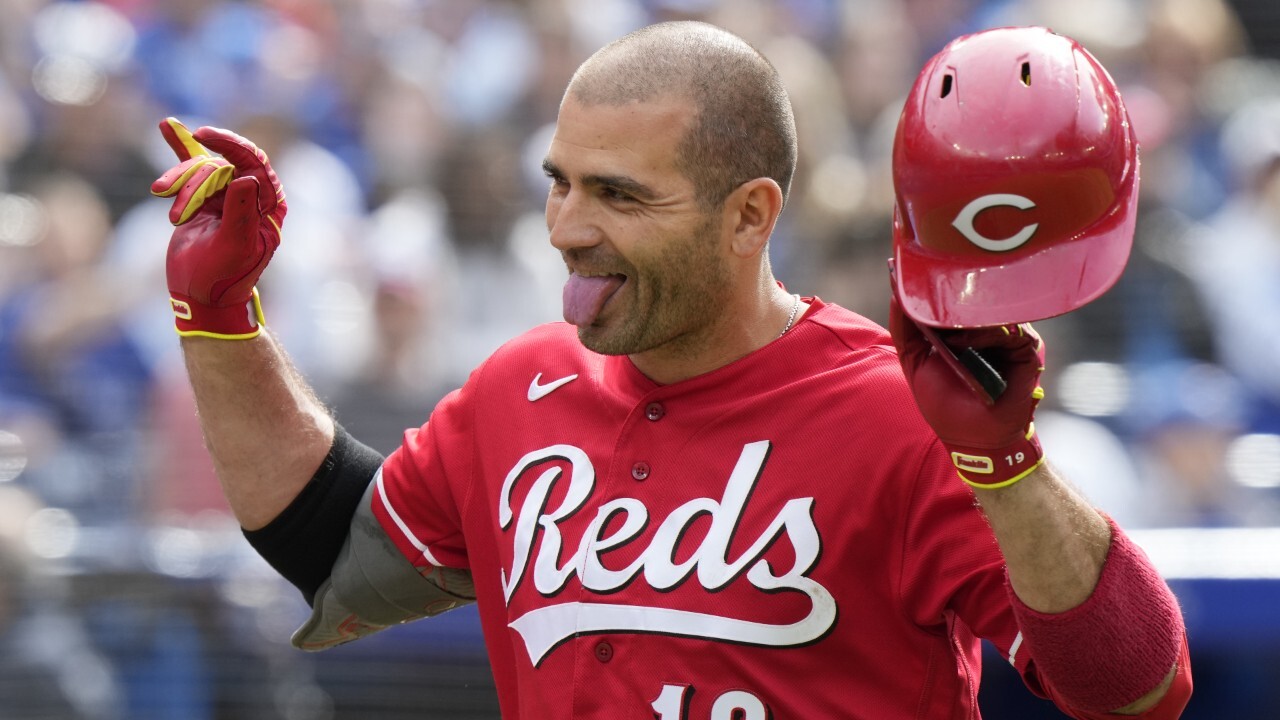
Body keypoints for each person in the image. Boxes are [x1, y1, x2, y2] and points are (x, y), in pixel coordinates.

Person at [149, 21, 1191, 720]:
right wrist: (219, 315)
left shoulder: (902, 410)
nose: (565, 228)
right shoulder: (517, 391)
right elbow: (331, 549)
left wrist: (1004, 466)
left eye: (616, 194)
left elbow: (1135, 689)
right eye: (558, 184)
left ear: (749, 216)